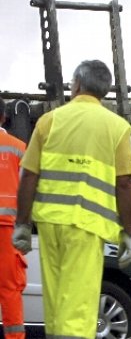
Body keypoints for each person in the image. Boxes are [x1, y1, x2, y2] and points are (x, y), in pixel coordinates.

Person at [12, 60, 131, 338]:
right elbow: (126, 183)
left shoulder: (49, 121)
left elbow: (29, 175)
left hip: (50, 224)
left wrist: (22, 223)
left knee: (57, 303)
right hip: (86, 226)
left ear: (77, 84)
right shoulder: (116, 127)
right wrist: (128, 231)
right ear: (103, 91)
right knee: (78, 307)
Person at [0, 98, 27, 339]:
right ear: (4, 117)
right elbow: (29, 190)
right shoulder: (18, 148)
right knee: (9, 290)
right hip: (8, 231)